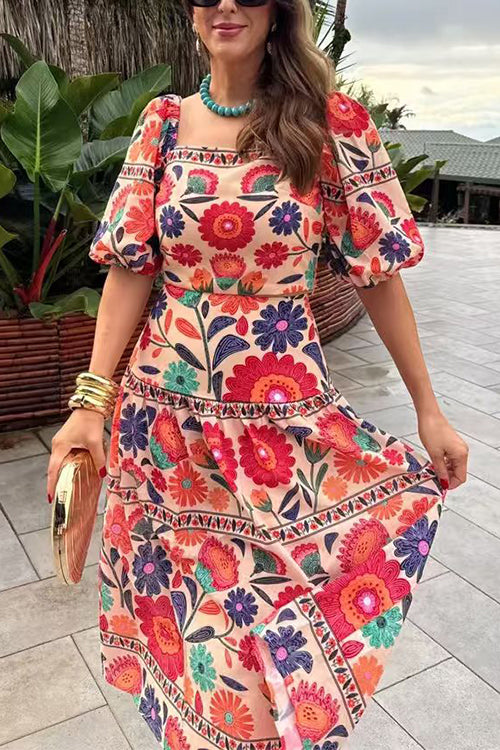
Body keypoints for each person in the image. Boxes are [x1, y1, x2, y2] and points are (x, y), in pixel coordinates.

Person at [46, 1, 469, 748]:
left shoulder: (330, 125)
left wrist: (427, 408)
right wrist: (91, 402)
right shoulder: (161, 124)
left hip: (280, 431)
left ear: (278, 11)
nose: (226, 5)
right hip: (164, 431)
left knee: (263, 641)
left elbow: (377, 274)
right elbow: (130, 271)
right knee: (190, 635)